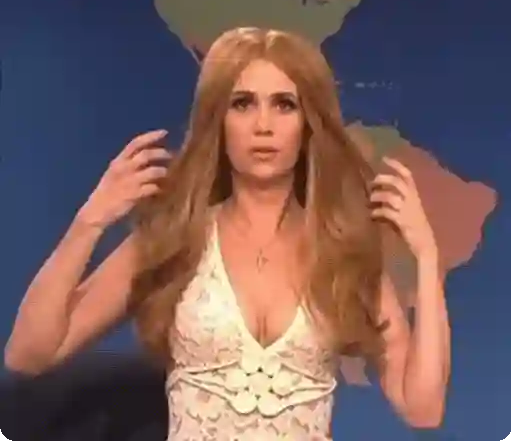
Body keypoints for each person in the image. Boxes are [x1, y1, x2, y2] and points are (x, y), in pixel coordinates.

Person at [4, 27, 450, 440]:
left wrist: (428, 259)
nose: (263, 125)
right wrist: (88, 224)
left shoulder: (340, 250)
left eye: (284, 104)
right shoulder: (176, 238)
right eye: (243, 103)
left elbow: (422, 408)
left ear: (308, 124)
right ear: (218, 120)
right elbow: (28, 354)